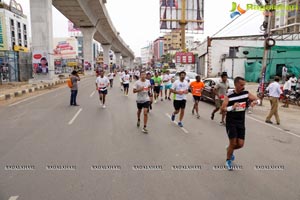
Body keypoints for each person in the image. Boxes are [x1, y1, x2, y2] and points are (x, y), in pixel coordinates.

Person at [221, 77, 259, 170]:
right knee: (233, 142)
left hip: (241, 122)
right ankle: (228, 160)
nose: (243, 86)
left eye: (244, 85)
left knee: (240, 144)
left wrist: (255, 102)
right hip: (231, 122)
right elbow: (223, 108)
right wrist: (232, 108)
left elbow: (257, 99)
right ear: (236, 84)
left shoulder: (246, 93)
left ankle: (229, 149)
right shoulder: (229, 95)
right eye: (241, 85)